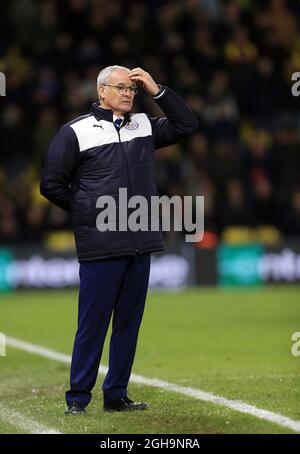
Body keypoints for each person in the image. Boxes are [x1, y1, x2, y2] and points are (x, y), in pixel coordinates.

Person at [40, 65, 198, 414]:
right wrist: (88, 212)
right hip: (101, 245)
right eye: (121, 88)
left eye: (132, 89)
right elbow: (50, 183)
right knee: (92, 325)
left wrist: (157, 91)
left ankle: (116, 395)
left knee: (128, 324)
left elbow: (187, 125)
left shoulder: (142, 124)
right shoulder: (75, 132)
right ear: (101, 91)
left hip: (141, 242)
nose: (129, 93)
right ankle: (78, 399)